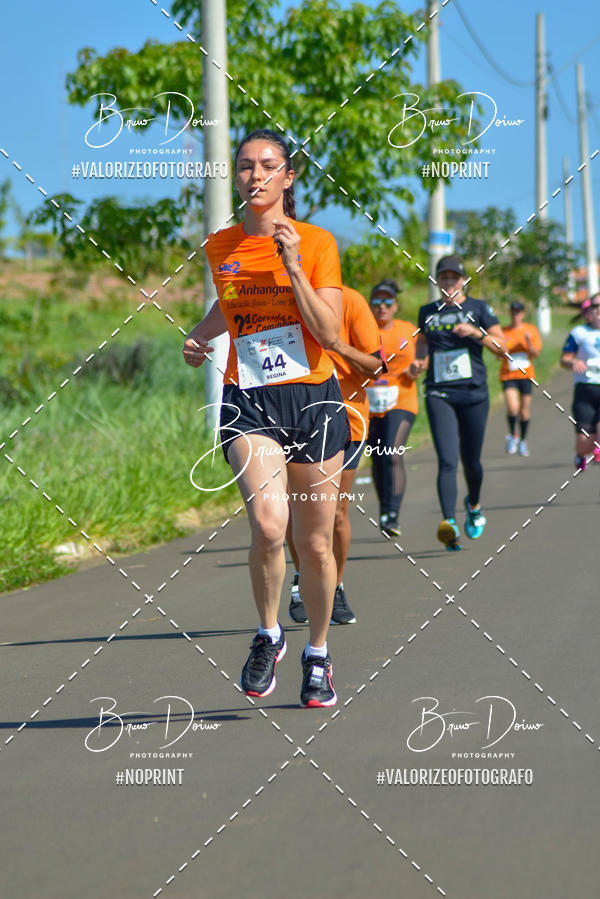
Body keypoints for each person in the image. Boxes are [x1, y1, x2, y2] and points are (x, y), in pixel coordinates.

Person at [183, 128, 348, 708]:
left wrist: (294, 266)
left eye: (268, 165)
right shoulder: (220, 245)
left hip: (314, 399)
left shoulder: (317, 243)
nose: (256, 175)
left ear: (288, 176)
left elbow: (329, 331)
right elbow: (231, 302)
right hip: (250, 397)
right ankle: (269, 633)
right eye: (246, 165)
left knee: (316, 544)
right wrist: (202, 333)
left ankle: (318, 653)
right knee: (271, 526)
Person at [287, 284, 385, 626]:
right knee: (295, 510)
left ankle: (336, 586)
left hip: (346, 420)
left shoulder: (352, 301)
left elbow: (376, 367)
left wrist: (336, 345)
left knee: (337, 514)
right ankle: (303, 579)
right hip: (297, 417)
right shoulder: (283, 295)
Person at [412, 255, 507, 550]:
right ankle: (449, 523)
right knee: (447, 459)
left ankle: (474, 504)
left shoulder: (478, 308)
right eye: (444, 278)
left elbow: (501, 348)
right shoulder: (427, 312)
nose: (449, 283)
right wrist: (419, 363)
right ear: (437, 281)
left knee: (471, 461)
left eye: (454, 278)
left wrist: (477, 333)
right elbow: (422, 344)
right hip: (439, 393)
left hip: (474, 393)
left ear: (463, 281)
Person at [366, 278, 421, 537]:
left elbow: (426, 351)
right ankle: (385, 511)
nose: (382, 307)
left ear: (396, 305)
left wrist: (419, 366)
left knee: (392, 452)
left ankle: (393, 514)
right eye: (377, 302)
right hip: (370, 401)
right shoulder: (362, 329)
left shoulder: (408, 330)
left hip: (402, 398)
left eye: (388, 302)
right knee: (378, 456)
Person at [560, 294, 600, 471]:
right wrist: (573, 363)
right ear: (589, 311)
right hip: (585, 390)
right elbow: (564, 359)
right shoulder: (579, 333)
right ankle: (582, 453)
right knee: (584, 442)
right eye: (596, 306)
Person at [500, 301, 542, 457]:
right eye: (513, 312)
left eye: (518, 312)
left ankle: (523, 440)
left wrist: (528, 344)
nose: (515, 315)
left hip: (526, 375)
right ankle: (513, 435)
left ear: (522, 314)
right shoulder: (503, 331)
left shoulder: (530, 330)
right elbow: (498, 353)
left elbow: (536, 353)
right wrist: (505, 347)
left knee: (524, 411)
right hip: (508, 374)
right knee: (513, 408)